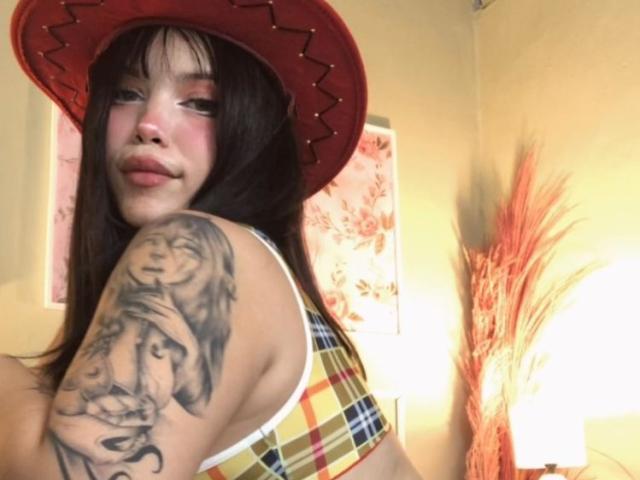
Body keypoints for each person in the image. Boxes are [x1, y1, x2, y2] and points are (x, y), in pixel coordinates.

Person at [1, 1, 422, 479]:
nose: (148, 125)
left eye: (201, 102)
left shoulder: (198, 249)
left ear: (254, 127)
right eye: (126, 93)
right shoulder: (236, 266)